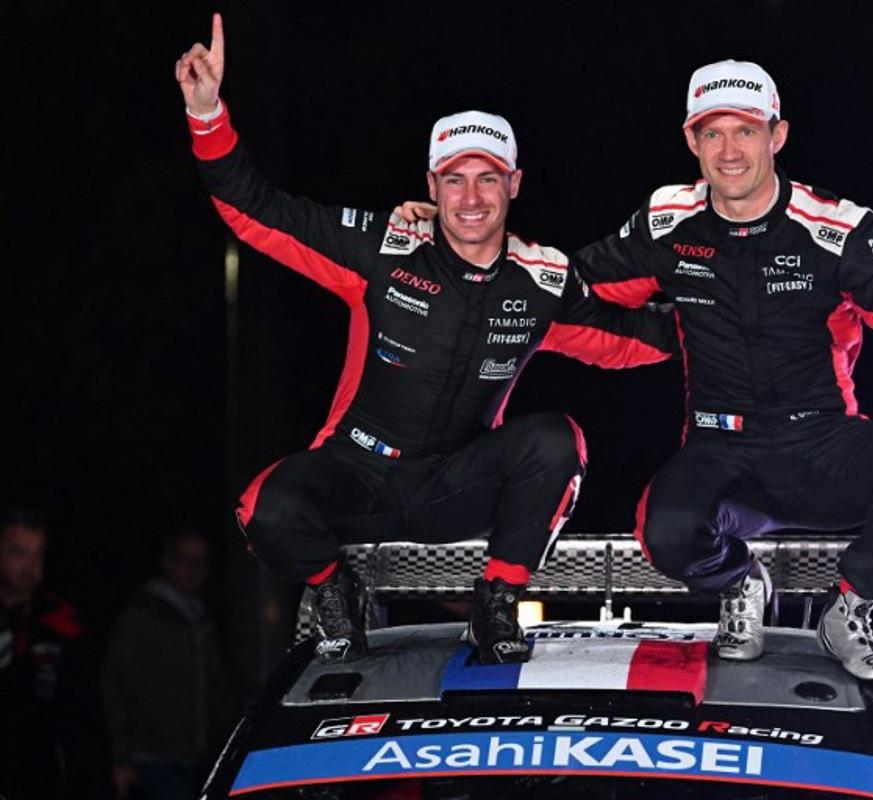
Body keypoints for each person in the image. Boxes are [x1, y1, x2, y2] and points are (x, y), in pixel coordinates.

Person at [398, 59, 873, 681]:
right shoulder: (667, 220)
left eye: (746, 132)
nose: (729, 151)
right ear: (690, 141)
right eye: (712, 133)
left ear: (777, 136)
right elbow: (565, 286)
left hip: (824, 442)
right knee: (662, 529)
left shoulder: (840, 229)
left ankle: (850, 609)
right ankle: (740, 586)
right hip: (721, 446)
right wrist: (449, 240)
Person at [174, 16, 676, 666]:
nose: (472, 197)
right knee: (263, 508)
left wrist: (730, 309)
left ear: (514, 184)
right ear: (431, 185)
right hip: (355, 477)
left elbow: (626, 337)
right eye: (455, 179)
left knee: (557, 440)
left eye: (488, 178)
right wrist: (207, 111)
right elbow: (255, 209)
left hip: (453, 487)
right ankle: (334, 591)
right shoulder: (381, 249)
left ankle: (497, 600)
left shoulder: (542, 280)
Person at [102, 530, 235, 800]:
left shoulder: (200, 618)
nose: (194, 569)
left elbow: (216, 686)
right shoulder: (142, 617)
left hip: (195, 756)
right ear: (167, 562)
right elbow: (115, 684)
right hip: (150, 757)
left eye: (201, 561)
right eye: (186, 559)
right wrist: (121, 757)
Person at [0, 510, 106, 799]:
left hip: (43, 779)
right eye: (17, 552)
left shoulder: (61, 621)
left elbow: (84, 709)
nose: (29, 564)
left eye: (37, 554)